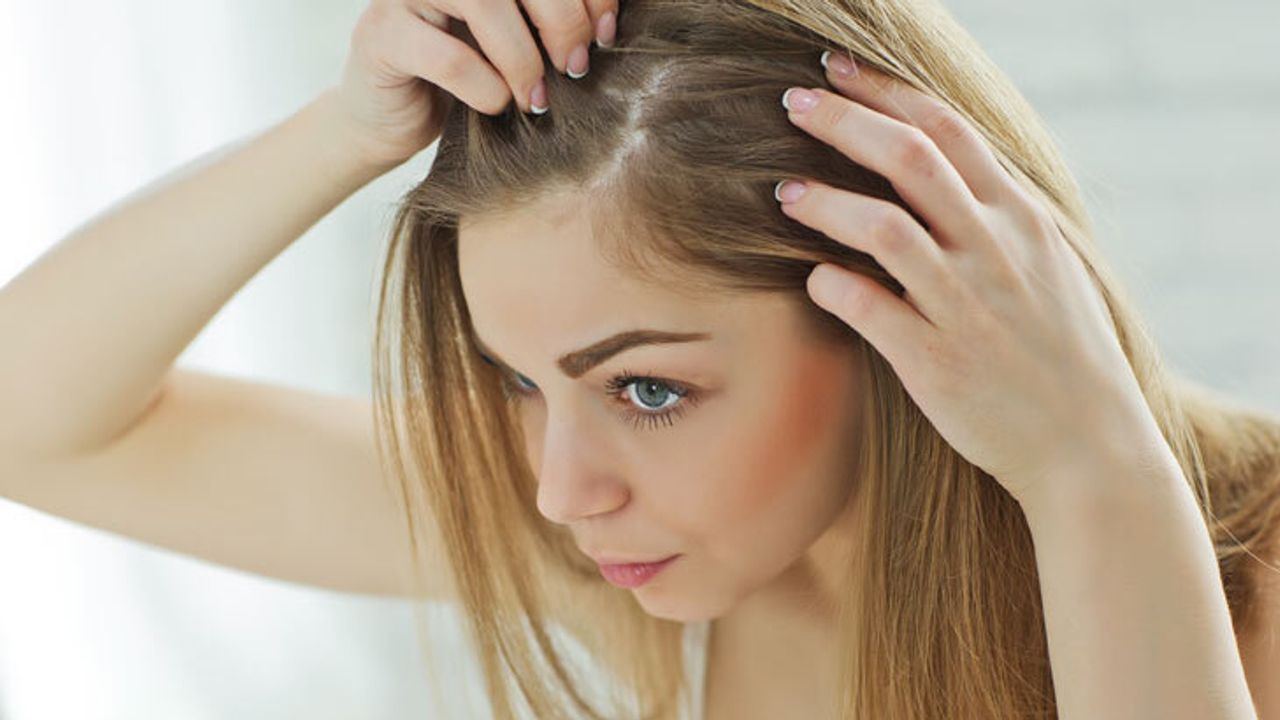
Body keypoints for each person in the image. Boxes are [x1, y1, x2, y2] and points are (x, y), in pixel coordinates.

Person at [1, 0, 1277, 718]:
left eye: (647, 389)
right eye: (519, 379)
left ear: (904, 311)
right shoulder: (643, 560)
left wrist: (1093, 474)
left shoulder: (1252, 565)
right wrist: (344, 131)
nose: (561, 490)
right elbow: (31, 425)